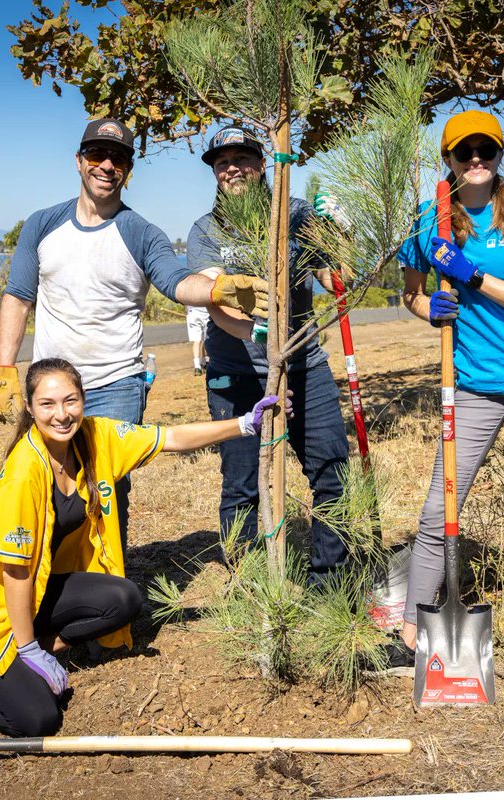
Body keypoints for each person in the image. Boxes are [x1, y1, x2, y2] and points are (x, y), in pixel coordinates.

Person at [0, 358, 286, 736]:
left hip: (33, 590)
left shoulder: (95, 437)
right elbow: (15, 572)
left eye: (70, 401)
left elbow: (170, 438)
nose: (62, 415)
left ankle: (26, 651)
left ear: (84, 400)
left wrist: (244, 424)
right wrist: (28, 649)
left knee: (123, 599)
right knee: (37, 720)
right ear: (31, 409)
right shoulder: (23, 473)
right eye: (48, 404)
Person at [0, 119, 269, 553]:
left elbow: (178, 283)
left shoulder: (142, 233)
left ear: (129, 170)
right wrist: (5, 366)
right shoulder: (42, 224)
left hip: (116, 383)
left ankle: (106, 586)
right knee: (42, 482)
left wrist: (216, 288)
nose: (106, 164)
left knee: (105, 489)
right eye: (97, 155)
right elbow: (18, 296)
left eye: (117, 157)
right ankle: (48, 585)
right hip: (52, 386)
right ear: (79, 162)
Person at [381, 109, 504, 679]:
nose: (476, 161)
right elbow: (411, 295)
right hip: (473, 379)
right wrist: (428, 308)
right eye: (464, 152)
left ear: (497, 158)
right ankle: (413, 633)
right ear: (447, 158)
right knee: (438, 506)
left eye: (486, 152)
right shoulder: (430, 221)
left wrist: (470, 277)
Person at [186, 126, 350, 585]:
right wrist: (261, 333)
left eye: (242, 158)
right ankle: (252, 587)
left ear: (263, 166)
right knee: (242, 486)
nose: (232, 167)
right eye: (222, 161)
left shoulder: (295, 216)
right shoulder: (207, 230)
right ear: (215, 173)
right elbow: (216, 305)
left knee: (331, 472)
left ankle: (329, 583)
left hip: (304, 366)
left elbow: (341, 277)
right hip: (236, 375)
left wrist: (339, 234)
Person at [186, 304, 210, 376]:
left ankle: (198, 366)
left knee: (197, 340)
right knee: (207, 338)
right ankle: (204, 362)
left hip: (193, 312)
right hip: (206, 312)